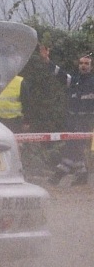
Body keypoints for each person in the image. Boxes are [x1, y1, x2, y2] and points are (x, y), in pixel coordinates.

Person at [49, 52, 94, 186]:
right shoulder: (74, 80)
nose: (83, 66)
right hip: (72, 120)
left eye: (86, 63)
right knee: (76, 148)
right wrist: (47, 60)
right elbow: (60, 74)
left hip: (86, 121)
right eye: (81, 63)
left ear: (91, 67)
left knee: (72, 146)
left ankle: (59, 173)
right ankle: (82, 174)